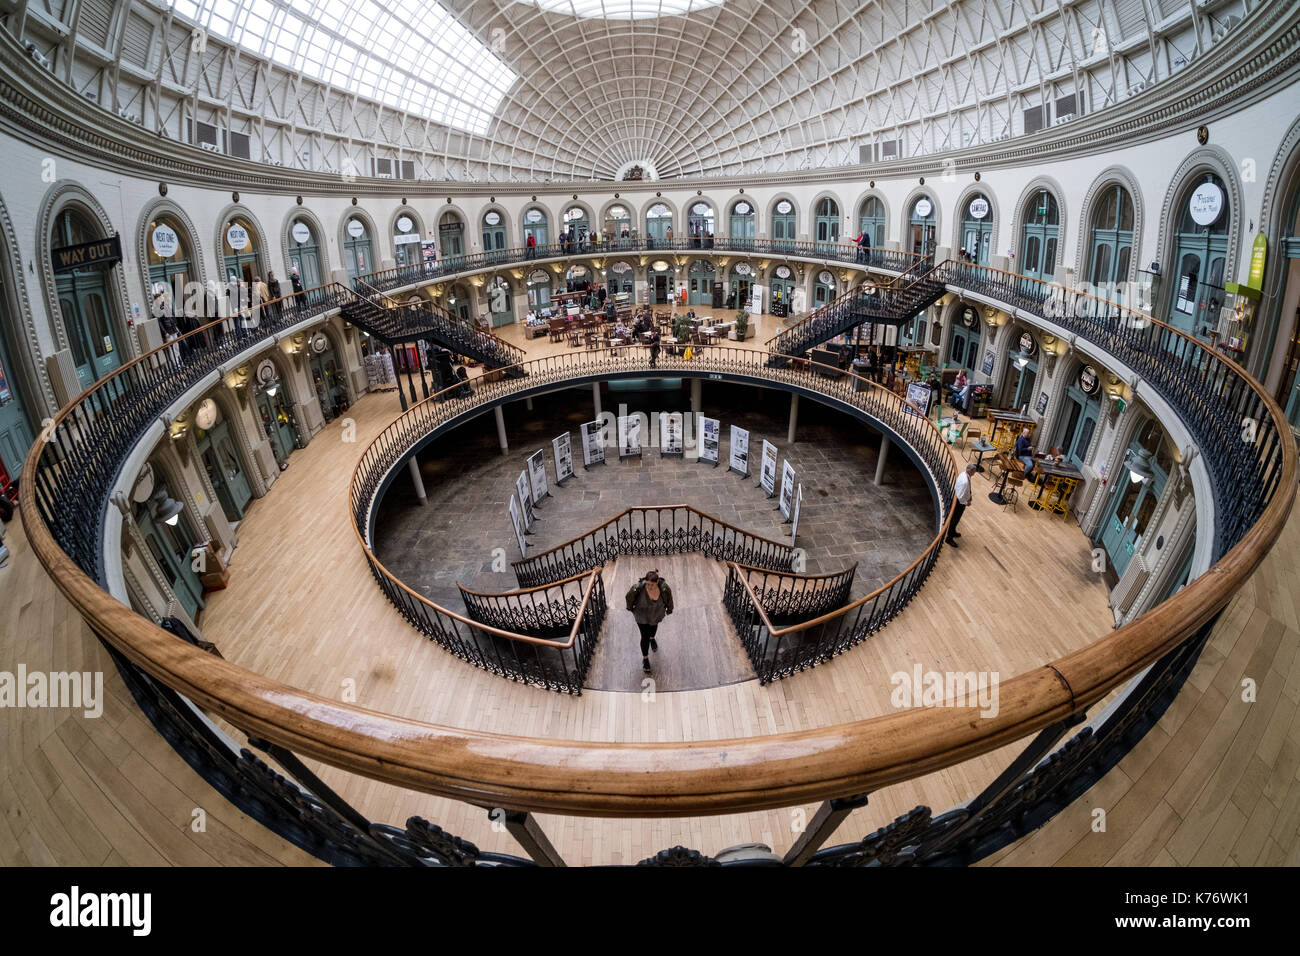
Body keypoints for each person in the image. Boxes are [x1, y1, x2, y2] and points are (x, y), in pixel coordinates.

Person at [626, 569, 674, 673]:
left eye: (652, 585)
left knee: (653, 627)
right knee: (644, 636)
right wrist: (630, 608)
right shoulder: (638, 588)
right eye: (647, 584)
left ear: (657, 583)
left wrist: (670, 609)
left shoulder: (664, 588)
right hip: (641, 615)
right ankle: (645, 659)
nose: (649, 587)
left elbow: (669, 599)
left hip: (656, 614)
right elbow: (629, 597)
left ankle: (652, 638)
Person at [947, 463, 976, 548]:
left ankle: (953, 532)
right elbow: (960, 497)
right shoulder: (965, 482)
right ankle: (949, 538)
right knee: (954, 520)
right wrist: (967, 502)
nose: (975, 473)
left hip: (960, 502)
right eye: (974, 471)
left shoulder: (963, 474)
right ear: (970, 471)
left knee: (955, 520)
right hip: (959, 504)